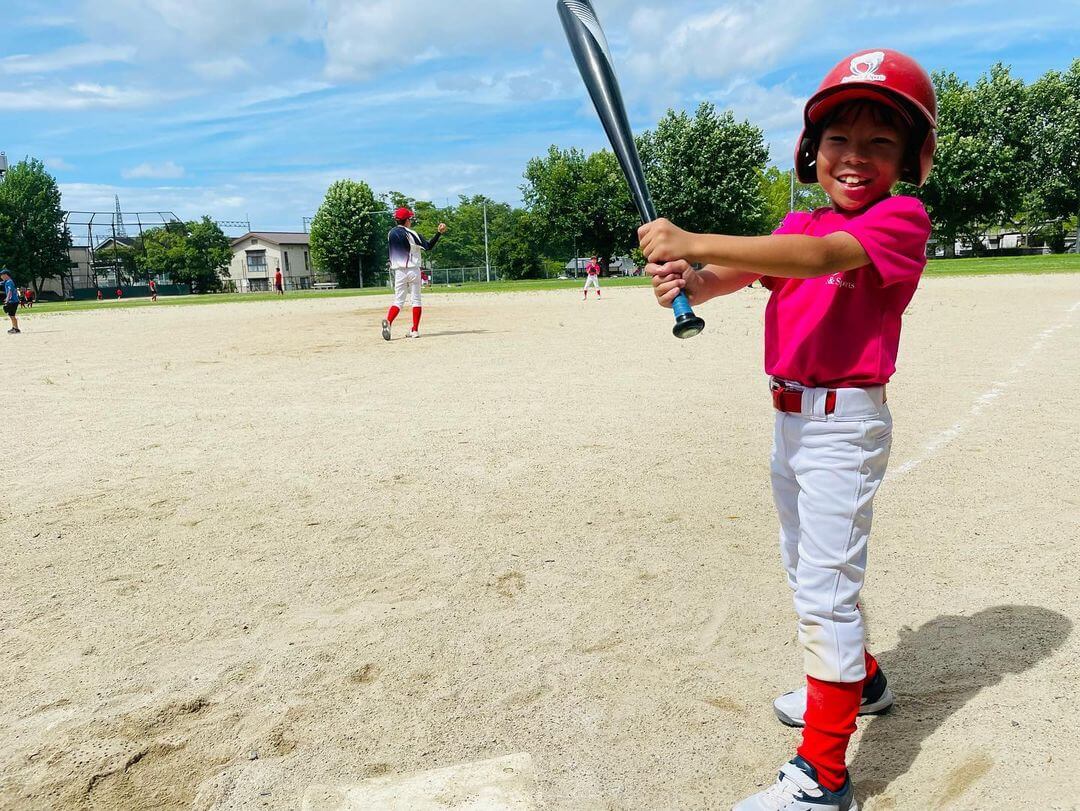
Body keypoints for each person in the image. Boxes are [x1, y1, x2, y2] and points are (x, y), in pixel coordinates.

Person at [638, 49, 937, 811]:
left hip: (846, 426)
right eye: (841, 139)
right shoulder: (795, 220)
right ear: (813, 151)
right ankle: (859, 680)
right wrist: (682, 277)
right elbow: (729, 276)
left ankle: (822, 777)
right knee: (808, 569)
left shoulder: (898, 219)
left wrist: (694, 238)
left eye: (881, 143)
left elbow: (814, 258)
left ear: (909, 159)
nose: (857, 157)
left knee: (826, 592)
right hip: (791, 421)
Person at [381, 207, 447, 340]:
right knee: (416, 300)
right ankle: (415, 330)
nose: (410, 221)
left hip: (399, 271)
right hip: (413, 270)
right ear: (406, 221)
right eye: (410, 219)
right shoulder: (411, 233)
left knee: (398, 301)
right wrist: (438, 233)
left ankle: (389, 321)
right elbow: (428, 246)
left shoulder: (390, 234)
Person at [2, 268, 21, 334]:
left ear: (6, 275)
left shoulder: (9, 282)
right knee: (11, 315)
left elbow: (10, 291)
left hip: (13, 301)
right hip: (13, 301)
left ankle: (16, 329)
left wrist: (7, 299)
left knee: (12, 315)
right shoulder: (7, 281)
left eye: (2, 275)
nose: (1, 277)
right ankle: (15, 328)